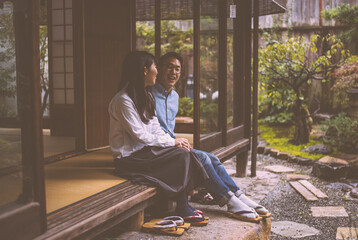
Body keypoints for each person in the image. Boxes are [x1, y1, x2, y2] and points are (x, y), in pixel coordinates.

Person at [151, 52, 270, 222]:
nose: (173, 72)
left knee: (212, 158)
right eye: (169, 67)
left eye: (177, 68)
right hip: (159, 148)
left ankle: (238, 195)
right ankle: (229, 201)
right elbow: (153, 131)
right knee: (202, 159)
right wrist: (173, 142)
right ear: (159, 68)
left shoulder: (175, 96)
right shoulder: (148, 95)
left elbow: (168, 128)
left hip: (172, 146)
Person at [109, 51, 209, 224]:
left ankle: (183, 203)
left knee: (185, 152)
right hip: (129, 158)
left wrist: (174, 142)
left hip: (145, 152)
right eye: (156, 66)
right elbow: (140, 135)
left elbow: (155, 128)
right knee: (181, 155)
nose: (158, 70)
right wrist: (172, 141)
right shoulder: (123, 100)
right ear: (145, 71)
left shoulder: (146, 95)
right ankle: (182, 205)